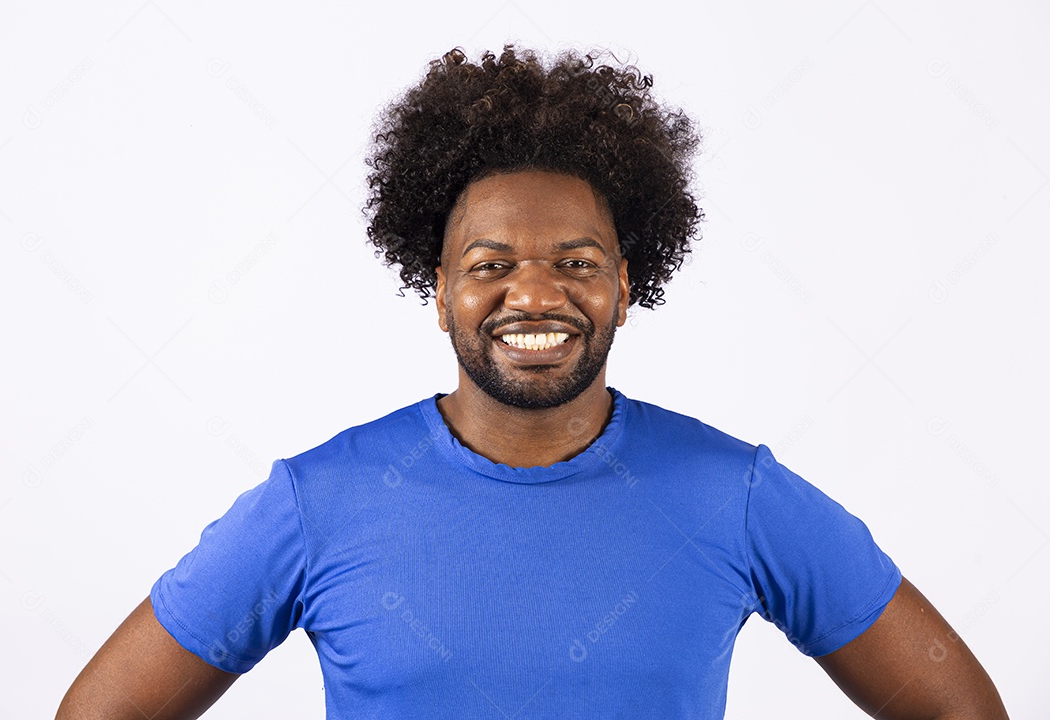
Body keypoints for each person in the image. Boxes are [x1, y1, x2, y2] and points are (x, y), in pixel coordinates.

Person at [56, 45, 1009, 719]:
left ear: (628, 288)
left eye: (578, 261)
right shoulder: (317, 502)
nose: (535, 295)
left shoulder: (737, 495)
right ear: (439, 294)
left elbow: (955, 705)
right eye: (490, 263)